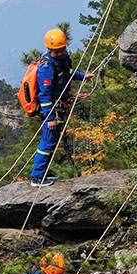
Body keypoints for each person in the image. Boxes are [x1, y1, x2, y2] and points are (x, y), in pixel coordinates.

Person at [29, 27, 94, 187]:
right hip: (51, 109)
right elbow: (44, 95)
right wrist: (49, 117)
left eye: (61, 49)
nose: (58, 52)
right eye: (55, 51)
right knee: (48, 142)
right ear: (49, 49)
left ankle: (41, 175)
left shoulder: (62, 59)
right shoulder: (46, 67)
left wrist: (83, 76)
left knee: (51, 142)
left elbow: (68, 73)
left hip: (59, 105)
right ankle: (37, 177)